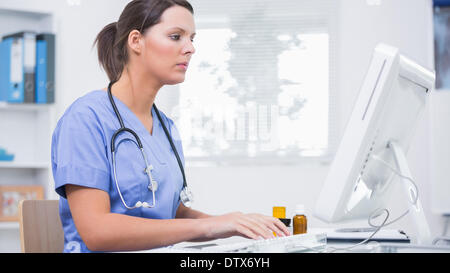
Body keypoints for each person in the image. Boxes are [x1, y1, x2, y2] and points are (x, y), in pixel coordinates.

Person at [51, 0, 290, 253]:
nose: (190, 49)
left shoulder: (166, 126)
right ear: (136, 41)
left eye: (192, 39)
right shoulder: (85, 119)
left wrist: (233, 223)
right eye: (176, 36)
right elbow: (98, 232)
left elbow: (171, 214)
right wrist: (210, 227)